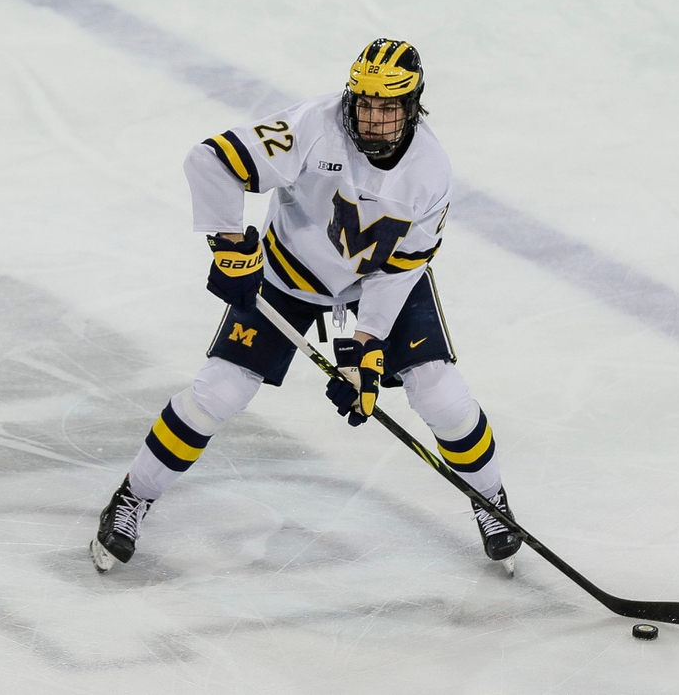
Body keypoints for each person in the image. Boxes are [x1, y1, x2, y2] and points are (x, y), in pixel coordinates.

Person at [90, 38, 522, 574]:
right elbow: (209, 161)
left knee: (440, 394)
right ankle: (133, 496)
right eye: (365, 103)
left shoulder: (430, 173)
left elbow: (401, 268)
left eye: (388, 107)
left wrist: (365, 349)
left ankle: (491, 501)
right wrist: (228, 245)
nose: (373, 119)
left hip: (374, 285)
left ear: (413, 107)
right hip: (286, 274)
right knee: (217, 393)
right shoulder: (312, 127)